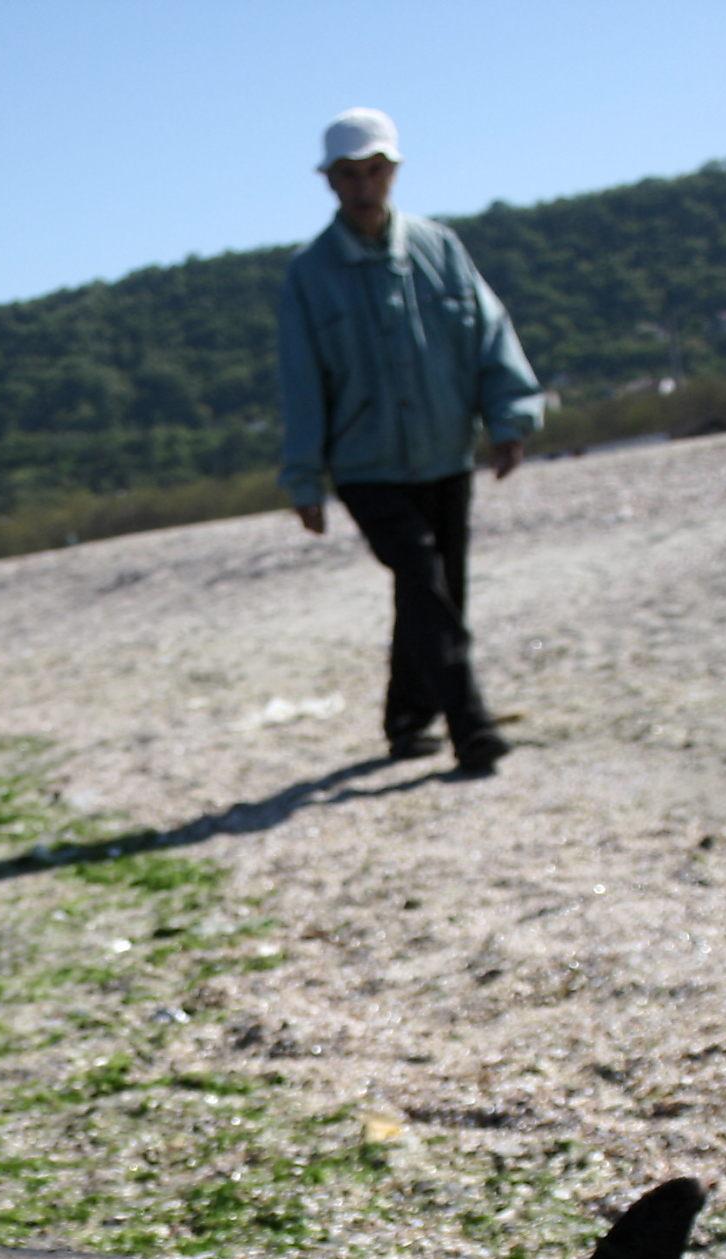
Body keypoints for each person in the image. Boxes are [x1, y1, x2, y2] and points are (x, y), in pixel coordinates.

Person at [276, 108, 545, 774]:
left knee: (433, 587)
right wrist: (304, 480)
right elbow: (300, 384)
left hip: (442, 450)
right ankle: (470, 724)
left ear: (391, 172)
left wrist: (508, 415)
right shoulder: (307, 277)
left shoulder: (439, 247)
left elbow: (486, 330)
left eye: (374, 171)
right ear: (329, 182)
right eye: (349, 175)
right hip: (366, 465)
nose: (364, 186)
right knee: (425, 583)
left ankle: (405, 719)